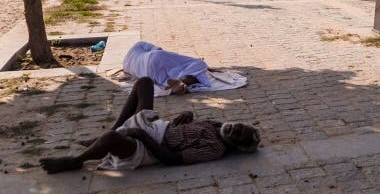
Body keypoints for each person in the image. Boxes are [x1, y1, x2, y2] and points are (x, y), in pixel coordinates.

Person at [39, 77, 260, 174]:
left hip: (149, 148)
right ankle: (115, 129)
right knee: (144, 82)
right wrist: (187, 114)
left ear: (235, 146)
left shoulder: (214, 149)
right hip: (155, 127)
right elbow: (182, 130)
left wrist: (139, 135)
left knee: (110, 141)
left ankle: (75, 161)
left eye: (238, 134)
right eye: (240, 125)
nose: (235, 128)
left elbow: (171, 160)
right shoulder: (217, 125)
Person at [123, 41, 211, 95]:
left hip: (147, 74)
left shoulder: (126, 66)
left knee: (164, 80)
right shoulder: (138, 44)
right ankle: (182, 78)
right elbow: (158, 49)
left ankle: (177, 84)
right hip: (154, 56)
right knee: (198, 63)